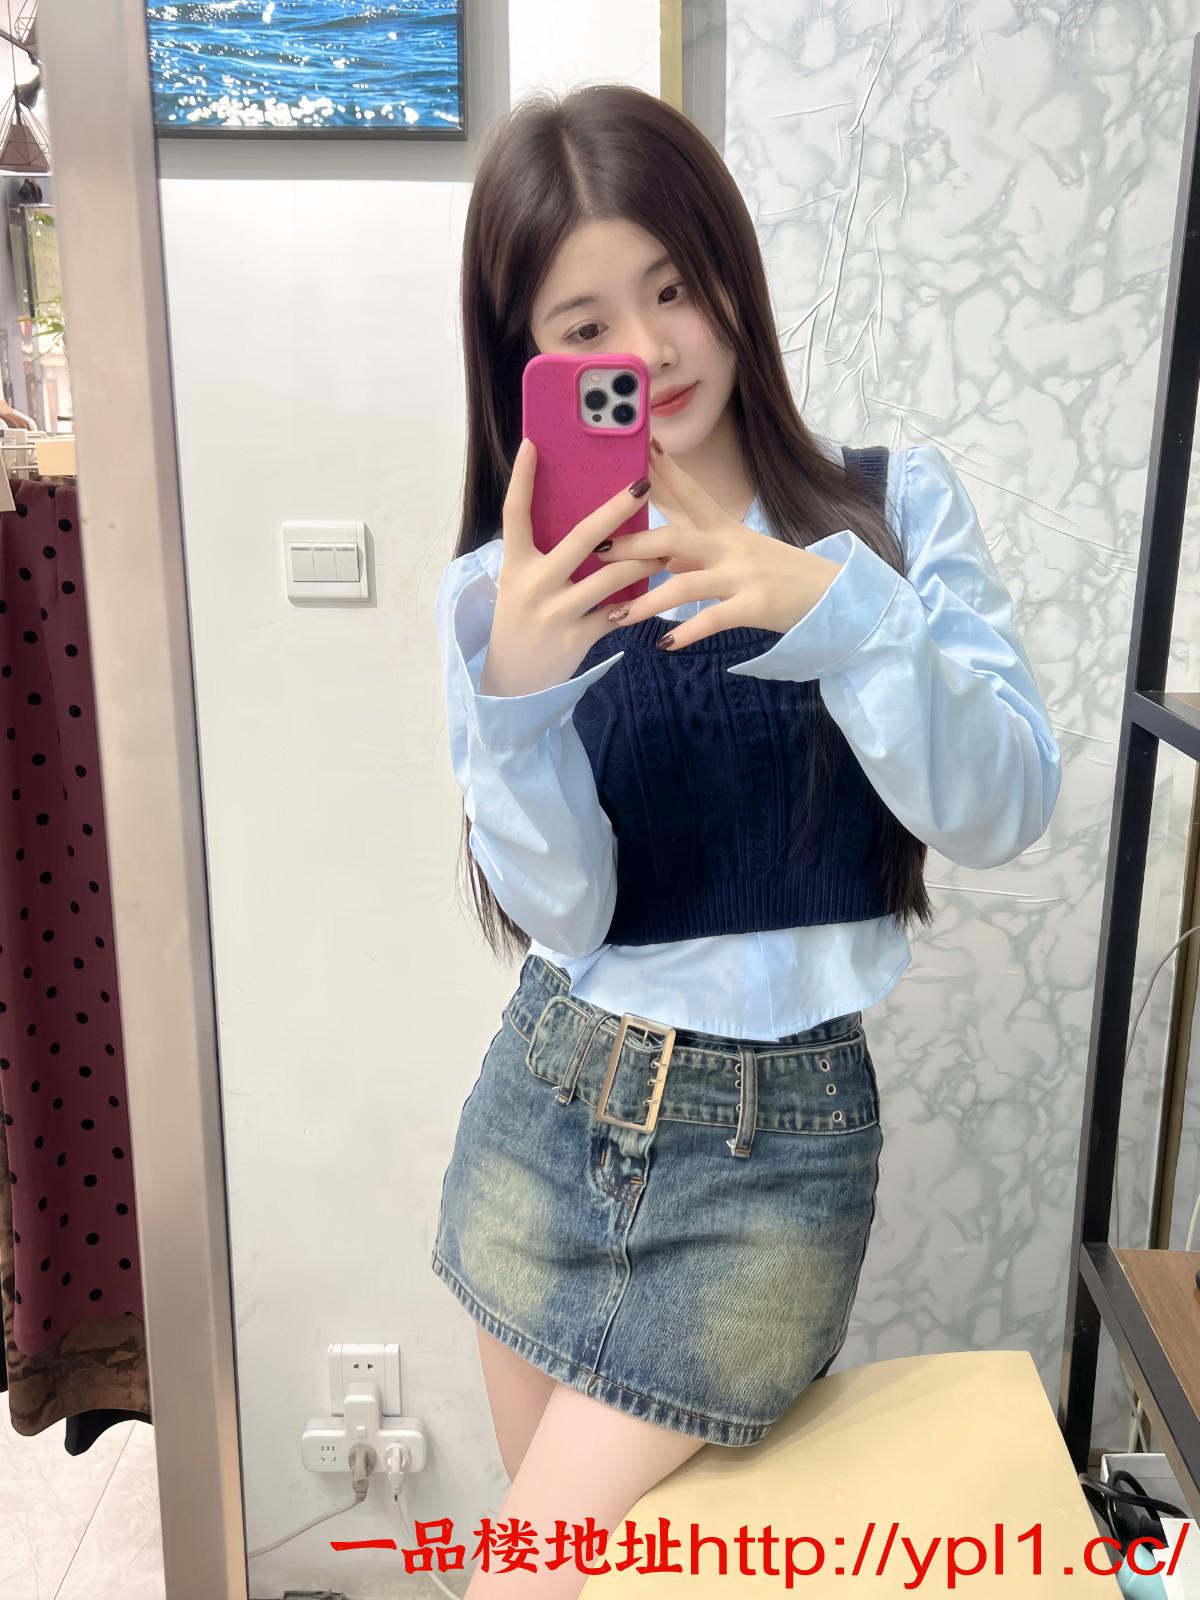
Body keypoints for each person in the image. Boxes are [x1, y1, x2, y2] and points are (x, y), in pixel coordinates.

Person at [430, 82, 1061, 1600]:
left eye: (672, 286)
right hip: (546, 1114)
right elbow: (567, 916)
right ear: (529, 363)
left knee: (522, 1575)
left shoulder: (891, 512)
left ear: (733, 275)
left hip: (773, 1161)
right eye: (586, 325)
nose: (647, 351)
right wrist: (516, 697)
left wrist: (839, 612)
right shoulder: (505, 592)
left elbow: (1002, 806)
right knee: (583, 1580)